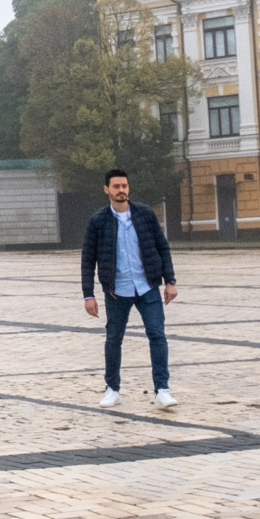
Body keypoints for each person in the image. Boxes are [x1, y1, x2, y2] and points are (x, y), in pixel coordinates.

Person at [80, 169, 179, 409]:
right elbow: (88, 259)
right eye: (116, 187)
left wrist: (170, 281)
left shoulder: (144, 214)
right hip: (117, 290)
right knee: (114, 339)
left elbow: (162, 247)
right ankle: (112, 389)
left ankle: (162, 390)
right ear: (107, 190)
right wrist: (88, 295)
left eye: (124, 186)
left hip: (147, 287)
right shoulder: (98, 220)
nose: (121, 190)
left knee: (157, 336)